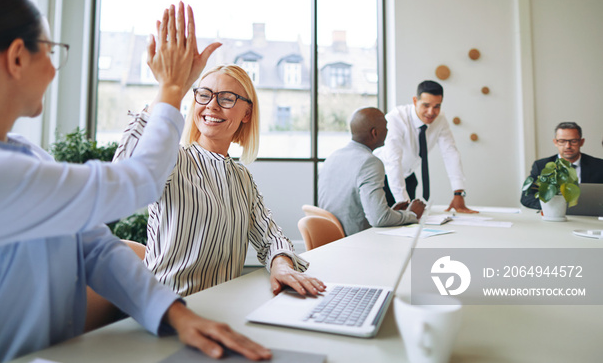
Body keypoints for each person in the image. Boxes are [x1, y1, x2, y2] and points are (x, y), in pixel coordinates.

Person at [0, 0, 271, 363]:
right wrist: (172, 88)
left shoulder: (23, 154)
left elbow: (92, 246)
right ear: (16, 58)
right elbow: (138, 182)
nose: (52, 68)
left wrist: (175, 315)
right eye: (49, 51)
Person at [113, 64, 325, 298]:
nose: (211, 105)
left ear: (247, 113)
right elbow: (121, 175)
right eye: (204, 95)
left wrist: (282, 265)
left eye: (227, 99)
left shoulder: (242, 178)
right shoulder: (174, 158)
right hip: (168, 309)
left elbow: (271, 239)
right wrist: (169, 90)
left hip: (223, 308)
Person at [374, 80, 478, 214]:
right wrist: (404, 204)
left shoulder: (440, 119)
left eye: (437, 106)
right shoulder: (397, 118)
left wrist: (458, 192)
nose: (431, 112)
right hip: (383, 177)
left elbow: (450, 153)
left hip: (407, 177)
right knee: (387, 226)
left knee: (409, 226)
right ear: (415, 100)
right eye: (426, 105)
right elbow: (393, 162)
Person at [318, 108, 426, 236]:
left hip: (333, 238)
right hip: (357, 240)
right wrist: (411, 214)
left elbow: (362, 209)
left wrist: (393, 213)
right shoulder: (370, 162)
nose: (388, 131)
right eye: (386, 127)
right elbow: (378, 219)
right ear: (374, 133)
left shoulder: (333, 156)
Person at [521, 122, 603, 209]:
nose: (568, 146)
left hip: (589, 216)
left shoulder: (599, 166)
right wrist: (555, 208)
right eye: (562, 141)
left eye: (573, 141)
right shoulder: (541, 165)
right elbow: (526, 198)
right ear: (555, 142)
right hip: (554, 216)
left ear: (581, 142)